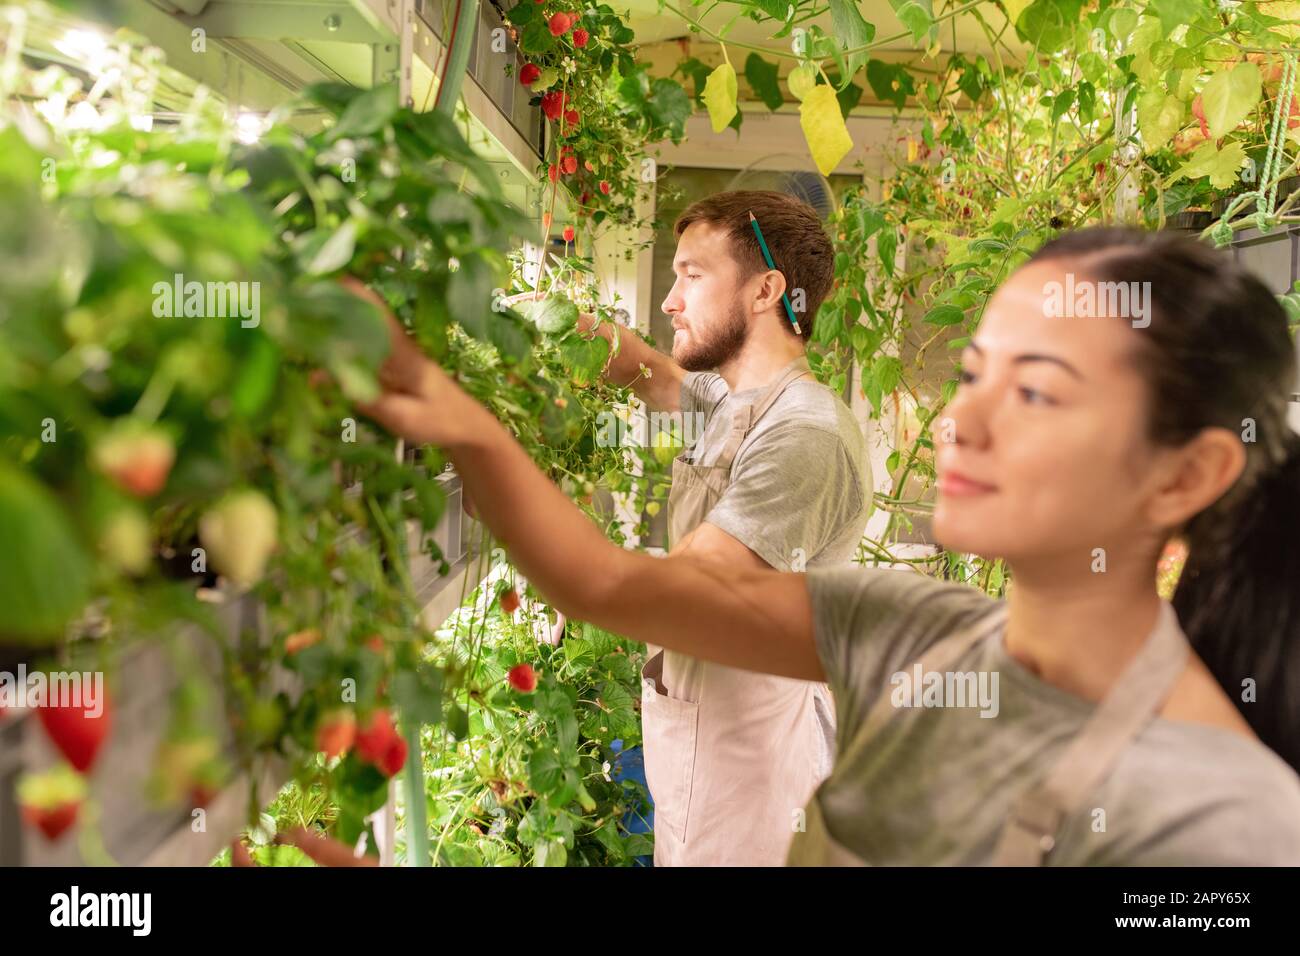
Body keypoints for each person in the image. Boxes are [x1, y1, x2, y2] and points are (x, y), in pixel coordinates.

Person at [358, 226, 1300, 865]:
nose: (959, 421)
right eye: (974, 373)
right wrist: (462, 420)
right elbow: (607, 585)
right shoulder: (918, 631)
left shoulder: (1225, 822)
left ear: (1185, 475)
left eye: (1038, 391)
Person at [498, 190, 869, 865]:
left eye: (692, 276)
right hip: (706, 761)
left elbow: (682, 588)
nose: (670, 300)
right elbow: (649, 371)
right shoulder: (735, 401)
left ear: (765, 291)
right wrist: (538, 319)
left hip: (756, 792)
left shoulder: (803, 435)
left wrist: (494, 472)